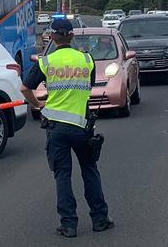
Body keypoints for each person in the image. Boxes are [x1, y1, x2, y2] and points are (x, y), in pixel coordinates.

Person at [21, 19, 114, 238]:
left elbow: (25, 88)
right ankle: (100, 219)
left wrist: (37, 105)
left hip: (56, 129)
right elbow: (88, 86)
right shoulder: (86, 59)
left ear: (51, 37)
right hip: (82, 127)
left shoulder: (46, 62)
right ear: (72, 36)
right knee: (90, 171)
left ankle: (69, 225)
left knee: (62, 175)